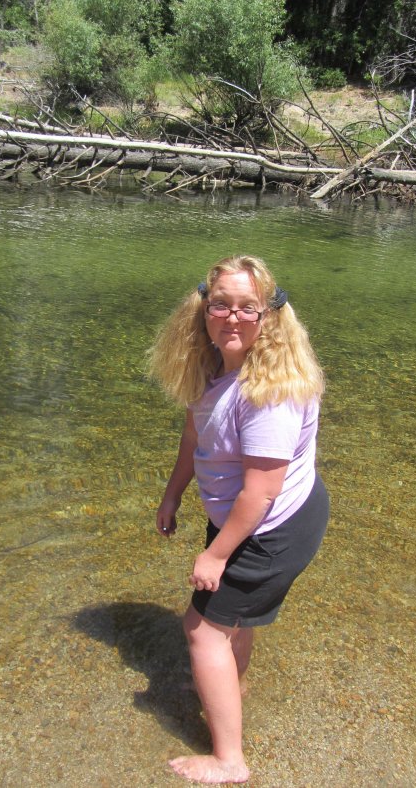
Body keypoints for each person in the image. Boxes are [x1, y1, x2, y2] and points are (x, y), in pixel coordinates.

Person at [148, 254, 329, 784]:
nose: (231, 317)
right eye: (220, 305)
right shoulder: (214, 373)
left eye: (247, 308)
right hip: (248, 517)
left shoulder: (267, 392)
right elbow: (194, 436)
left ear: (268, 316)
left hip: (269, 525)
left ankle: (229, 760)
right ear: (202, 309)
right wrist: (172, 495)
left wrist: (217, 552)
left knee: (201, 630)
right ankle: (233, 685)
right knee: (232, 619)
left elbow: (262, 490)